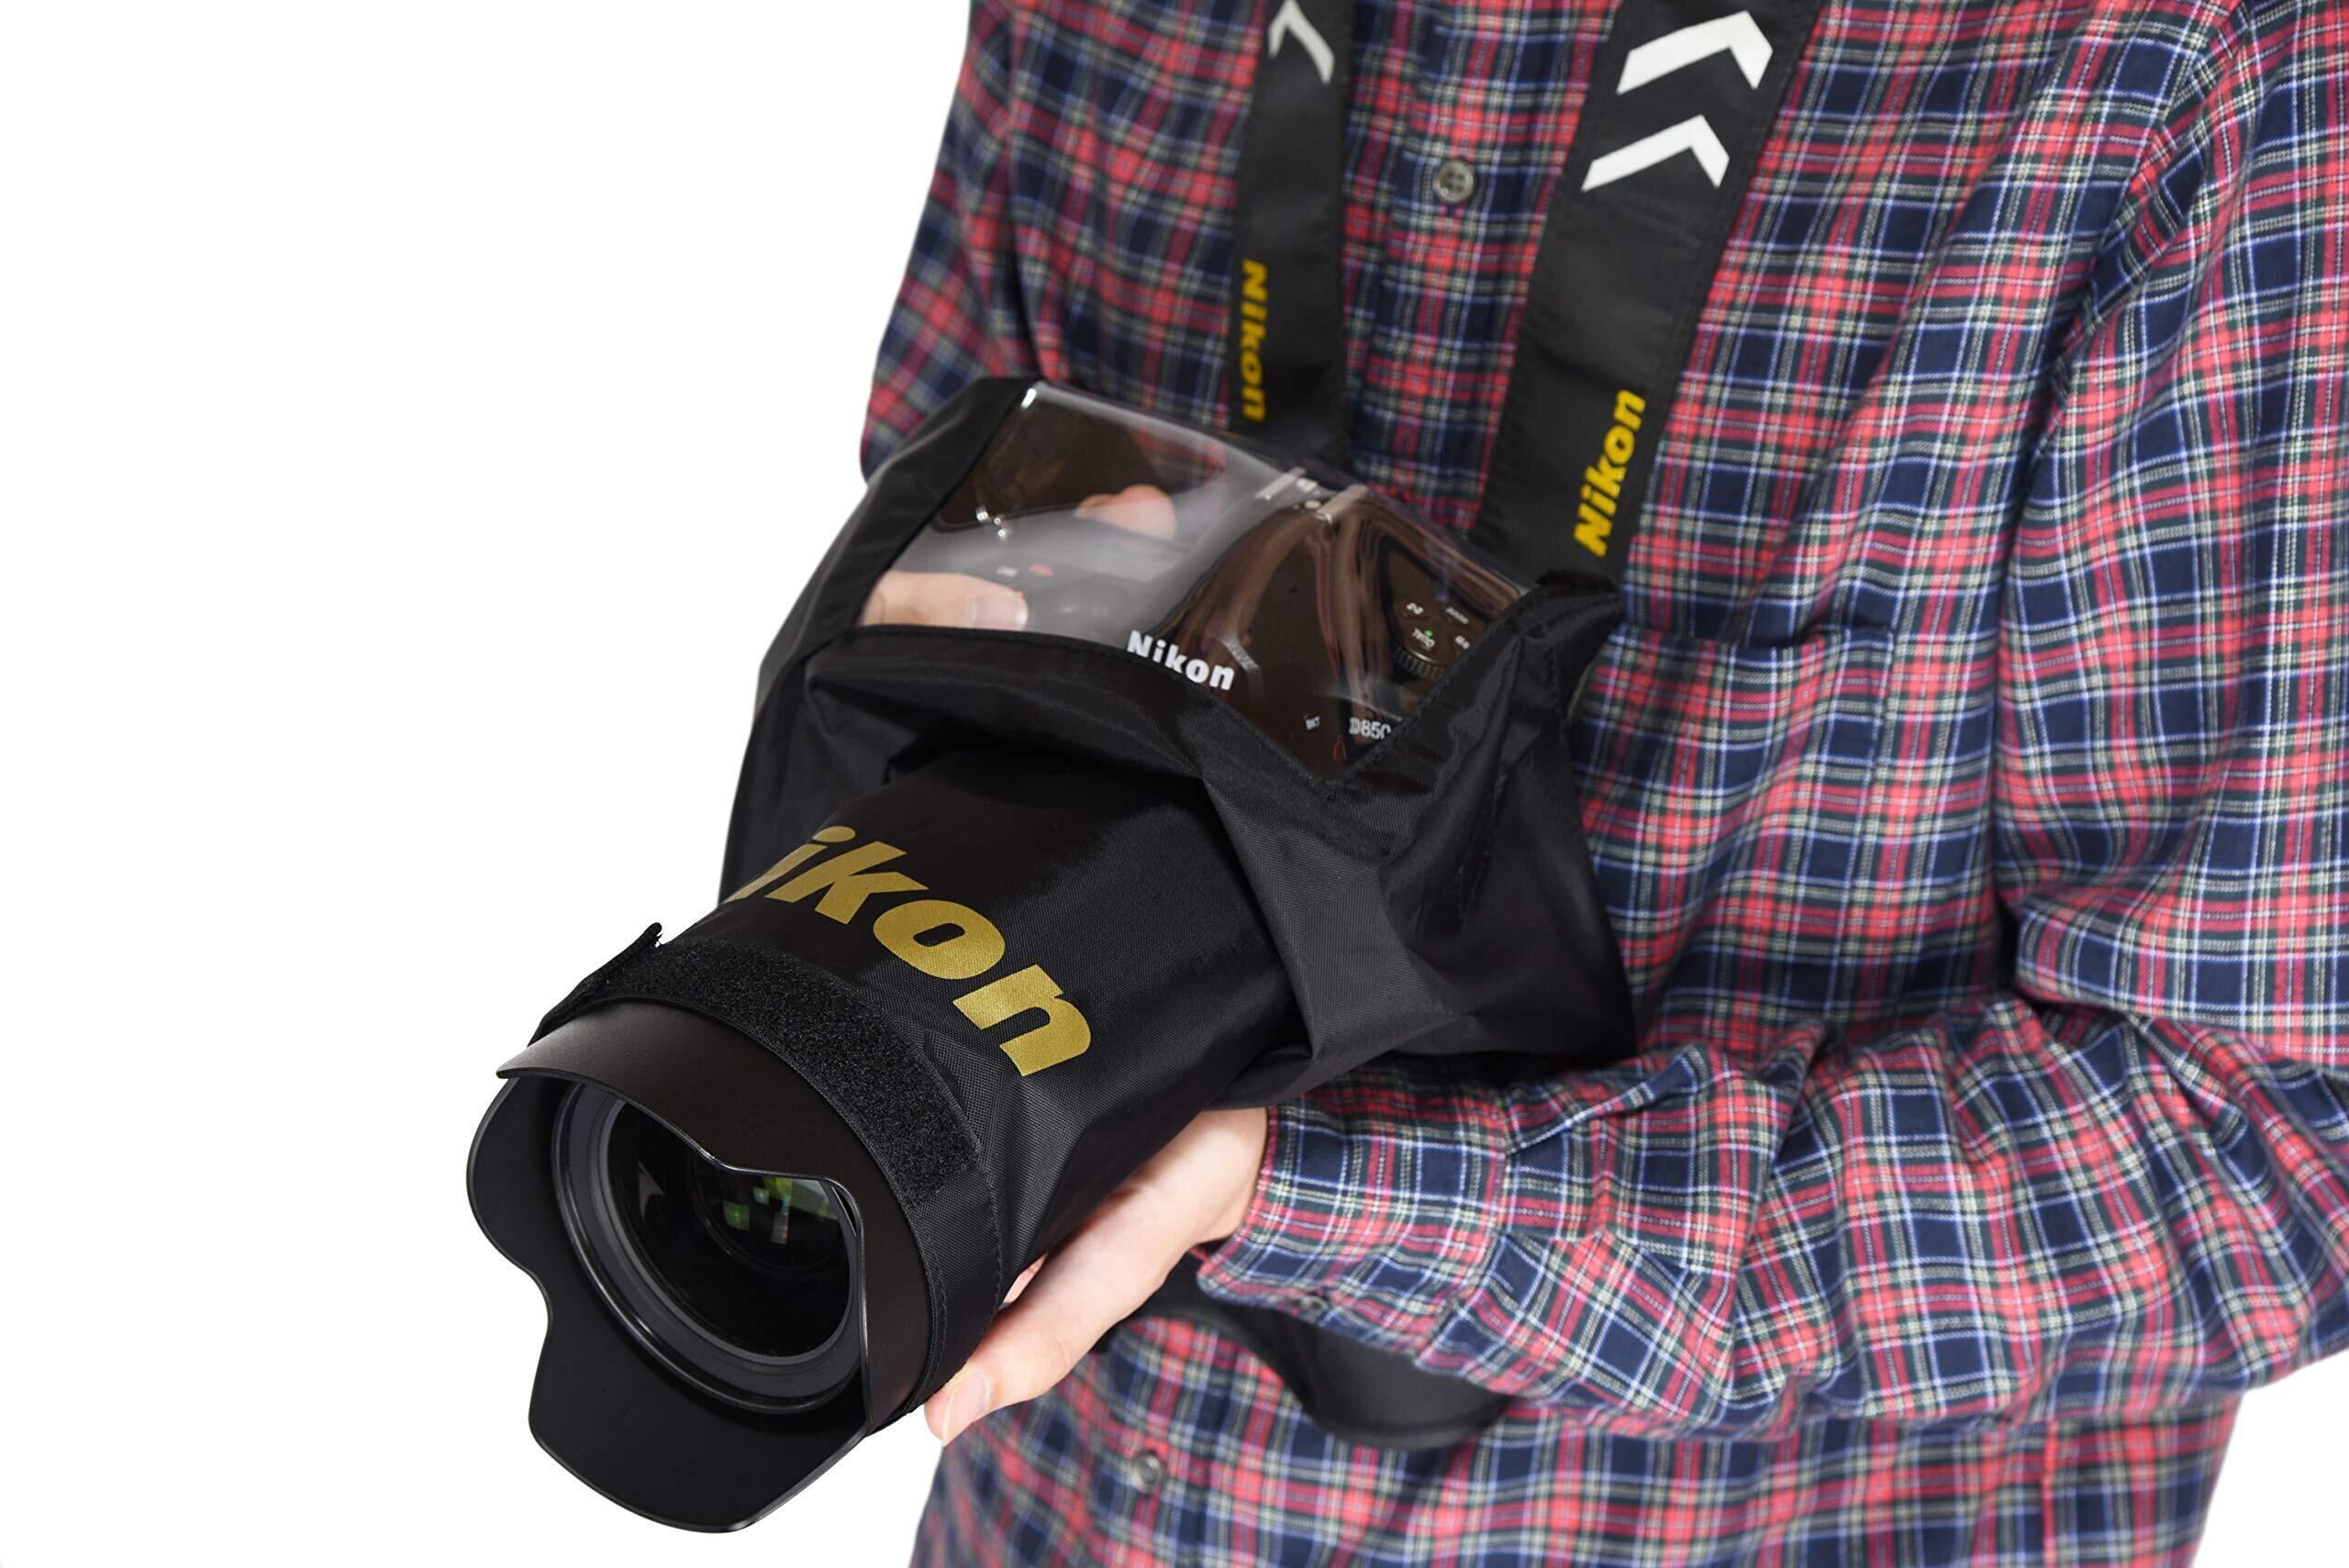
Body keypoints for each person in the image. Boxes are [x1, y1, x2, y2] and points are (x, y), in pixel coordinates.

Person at [854, 0, 2349, 1562]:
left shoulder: (2195, 57)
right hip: (1046, 1500)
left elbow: (2278, 1147)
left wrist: (1333, 1195)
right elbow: (911, 613)